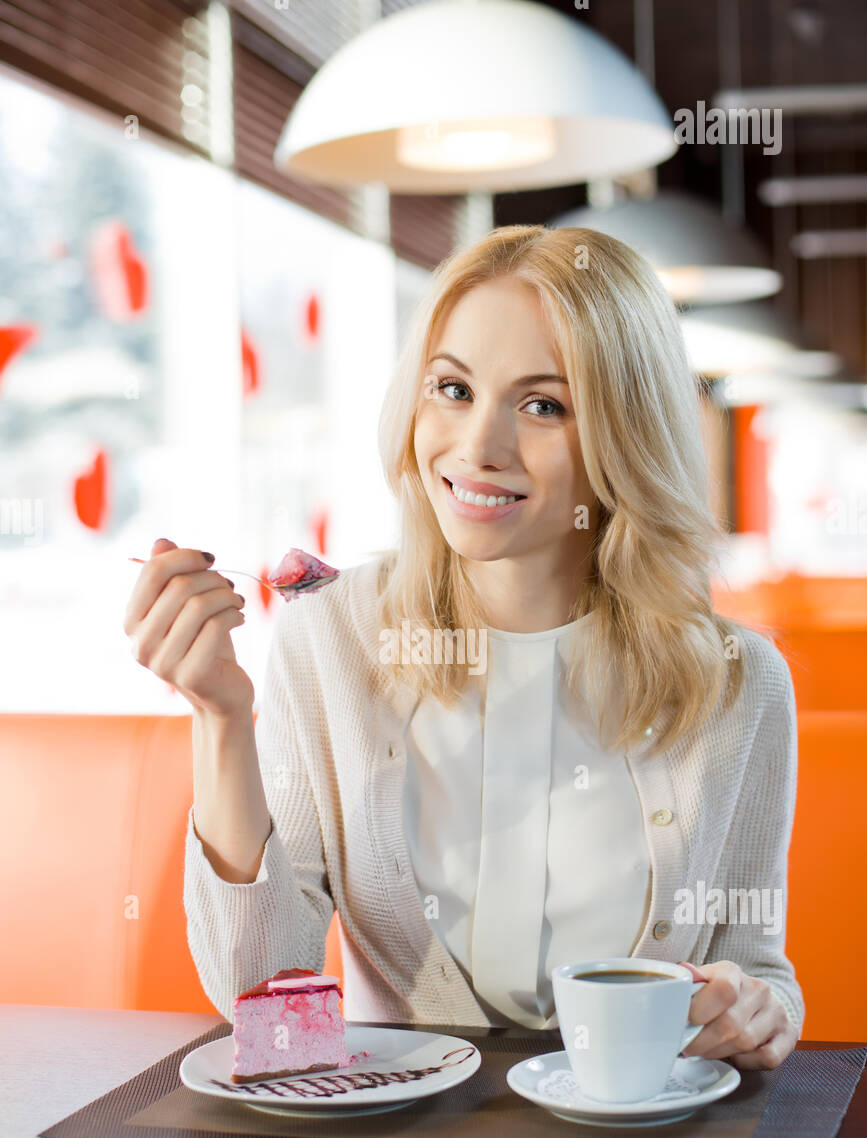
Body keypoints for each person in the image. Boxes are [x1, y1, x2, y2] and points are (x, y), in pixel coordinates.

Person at [124, 224, 803, 1070]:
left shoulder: (737, 683)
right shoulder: (329, 636)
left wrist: (760, 1010)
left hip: (636, 1135)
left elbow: (755, 966)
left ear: (625, 435)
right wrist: (220, 719)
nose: (477, 447)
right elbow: (256, 992)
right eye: (452, 389)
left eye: (543, 405)